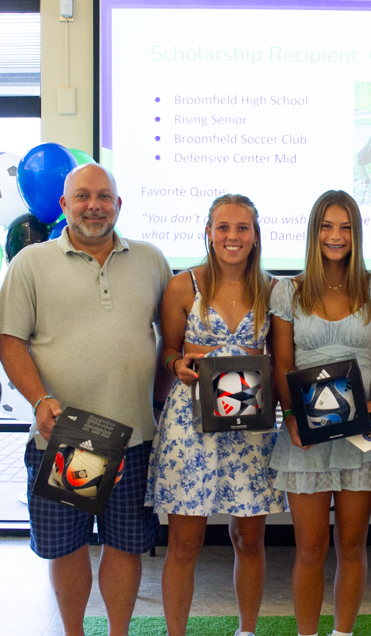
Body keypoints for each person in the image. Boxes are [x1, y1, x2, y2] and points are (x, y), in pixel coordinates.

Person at [0, 163, 172, 636]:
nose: (94, 205)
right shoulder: (31, 263)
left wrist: (158, 403)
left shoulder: (151, 261)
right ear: (64, 205)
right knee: (68, 548)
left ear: (118, 204)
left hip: (134, 438)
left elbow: (169, 340)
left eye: (104, 196)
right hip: (67, 437)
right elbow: (10, 340)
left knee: (126, 545)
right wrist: (38, 400)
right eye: (82, 196)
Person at [146, 194, 285, 636]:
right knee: (185, 543)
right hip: (191, 427)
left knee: (249, 540)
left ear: (255, 235)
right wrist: (178, 364)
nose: (232, 236)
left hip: (250, 428)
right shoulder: (182, 286)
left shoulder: (272, 289)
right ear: (208, 232)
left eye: (242, 228)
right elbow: (167, 351)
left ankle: (247, 630)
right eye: (223, 227)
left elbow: (280, 363)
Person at [270, 190, 371, 636]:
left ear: (356, 233)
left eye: (345, 227)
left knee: (353, 546)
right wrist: (291, 418)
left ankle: (343, 632)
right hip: (306, 434)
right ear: (313, 232)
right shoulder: (288, 290)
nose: (336, 236)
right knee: (309, 549)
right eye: (327, 226)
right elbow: (283, 365)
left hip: (362, 432)